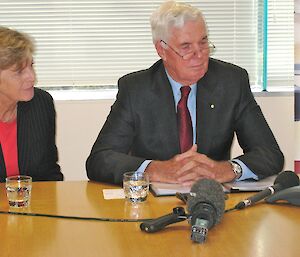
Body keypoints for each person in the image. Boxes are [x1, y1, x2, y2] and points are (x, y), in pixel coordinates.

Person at [86, 1, 284, 186]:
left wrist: (229, 169)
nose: (199, 55)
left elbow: (270, 154)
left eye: (203, 42)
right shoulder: (136, 89)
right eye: (186, 47)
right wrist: (154, 170)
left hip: (213, 199)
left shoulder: (231, 82)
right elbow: (100, 159)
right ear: (161, 50)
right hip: (153, 203)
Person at [0, 26, 63, 182]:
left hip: (32, 205)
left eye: (31, 66)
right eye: (19, 71)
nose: (32, 77)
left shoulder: (41, 103)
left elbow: (50, 172)